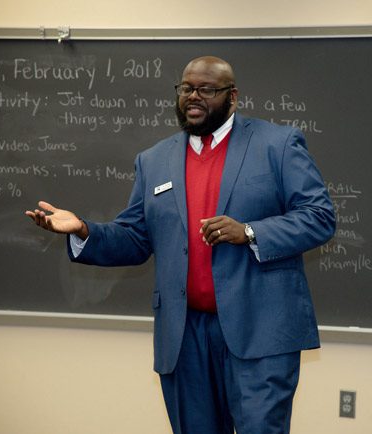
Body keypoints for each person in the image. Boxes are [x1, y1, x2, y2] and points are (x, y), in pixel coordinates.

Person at [26, 56, 335, 433]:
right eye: (187, 88)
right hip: (185, 335)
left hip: (260, 331)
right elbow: (137, 238)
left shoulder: (277, 144)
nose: (194, 96)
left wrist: (250, 232)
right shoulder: (154, 160)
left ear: (232, 96)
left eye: (207, 89)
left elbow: (319, 217)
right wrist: (83, 230)